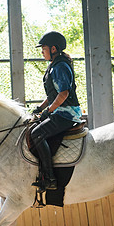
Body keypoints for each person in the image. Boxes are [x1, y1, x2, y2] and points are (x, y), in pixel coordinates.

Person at [31, 31, 82, 190]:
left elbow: (63, 94)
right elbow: (53, 95)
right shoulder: (54, 66)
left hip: (67, 113)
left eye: (44, 48)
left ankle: (50, 178)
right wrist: (41, 108)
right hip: (60, 110)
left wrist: (49, 111)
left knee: (37, 134)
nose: (42, 51)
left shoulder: (60, 66)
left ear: (53, 49)